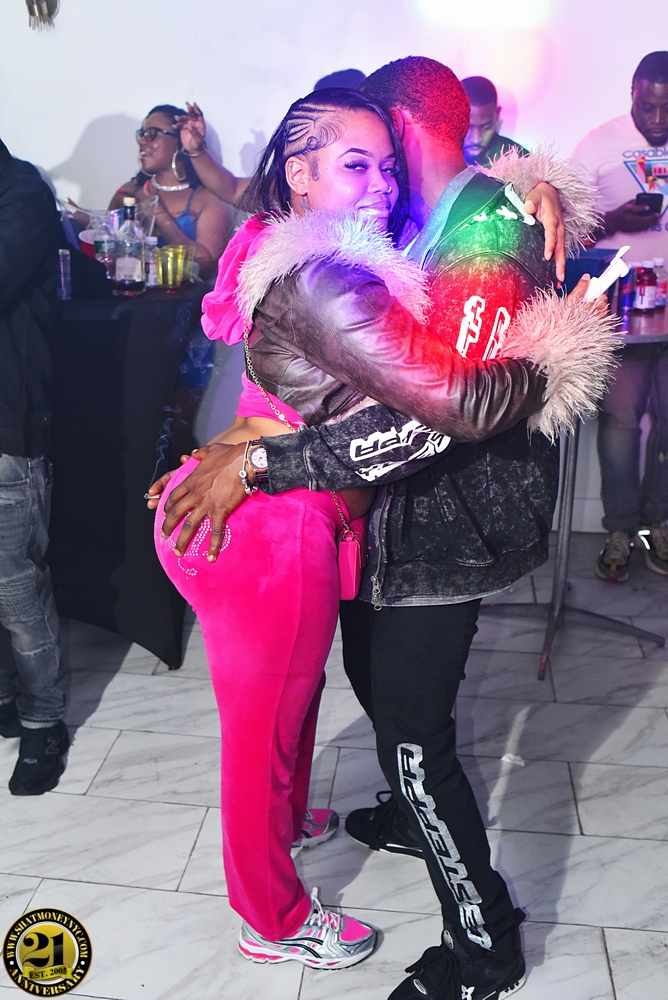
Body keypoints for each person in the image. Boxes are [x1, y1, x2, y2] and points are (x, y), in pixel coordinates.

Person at [151, 64, 614, 999]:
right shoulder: (350, 257)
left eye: (382, 160)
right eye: (356, 164)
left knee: (371, 727)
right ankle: (313, 885)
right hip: (311, 524)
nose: (381, 181)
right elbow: (424, 397)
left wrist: (259, 453)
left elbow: (439, 404)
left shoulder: (431, 237)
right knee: (299, 721)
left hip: (385, 523)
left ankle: (469, 938)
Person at [571, 50, 668, 582]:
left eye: (667, 109)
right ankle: (620, 529)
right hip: (621, 307)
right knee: (621, 420)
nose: (657, 120)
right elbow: (566, 232)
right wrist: (613, 221)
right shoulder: (597, 144)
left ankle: (660, 524)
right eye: (648, 107)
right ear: (633, 91)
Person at [0, 137, 70, 796]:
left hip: (7, 426)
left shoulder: (19, 193)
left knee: (17, 593)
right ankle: (5, 699)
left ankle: (44, 721)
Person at [110, 104, 233, 280]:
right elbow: (106, 252)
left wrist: (159, 215)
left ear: (178, 140)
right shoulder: (129, 191)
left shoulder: (208, 198)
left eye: (151, 134)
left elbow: (206, 268)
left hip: (186, 297)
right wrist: (85, 221)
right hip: (127, 295)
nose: (141, 141)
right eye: (142, 134)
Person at [461, 76, 527, 168]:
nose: (476, 139)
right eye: (467, 127)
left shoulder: (521, 161)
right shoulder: (440, 159)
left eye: (486, 127)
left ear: (497, 114)